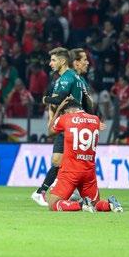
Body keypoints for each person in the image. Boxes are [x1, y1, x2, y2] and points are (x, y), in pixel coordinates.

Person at [46, 97, 122, 213]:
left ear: (67, 110)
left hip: (70, 171)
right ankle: (111, 204)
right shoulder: (95, 119)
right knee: (95, 204)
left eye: (63, 112)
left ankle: (81, 204)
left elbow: (50, 131)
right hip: (88, 171)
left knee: (52, 204)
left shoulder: (66, 118)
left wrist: (58, 110)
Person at [31, 47, 85, 206]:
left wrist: (44, 99)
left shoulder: (66, 78)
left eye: (53, 60)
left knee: (64, 161)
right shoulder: (70, 77)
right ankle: (45, 191)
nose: (50, 63)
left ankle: (46, 191)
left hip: (71, 123)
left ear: (62, 61)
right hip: (70, 123)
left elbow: (58, 99)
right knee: (59, 160)